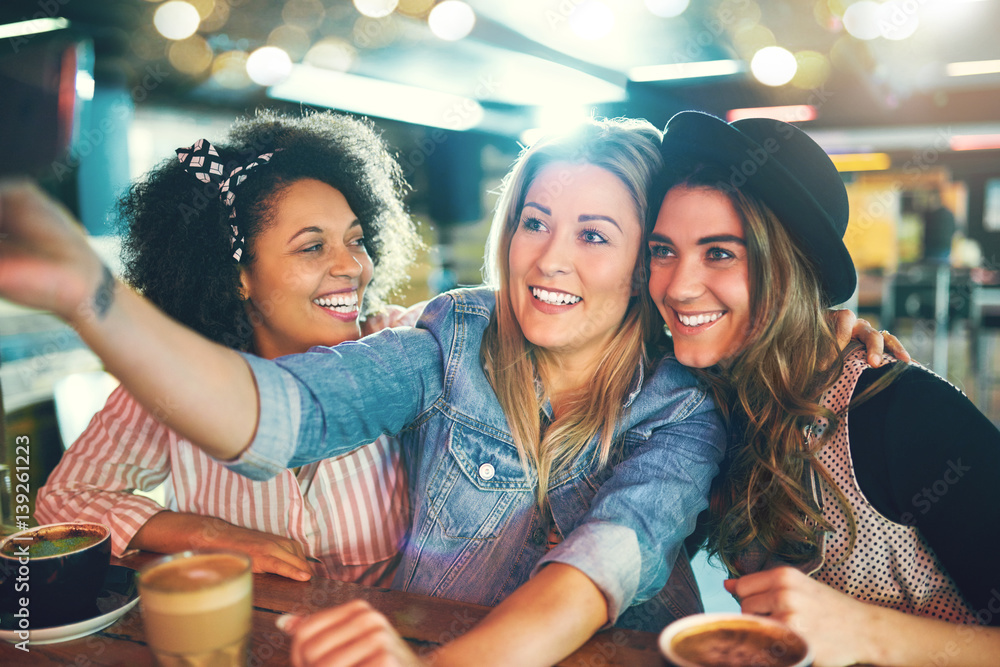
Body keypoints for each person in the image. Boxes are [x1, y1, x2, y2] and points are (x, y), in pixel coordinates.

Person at [0, 118, 726, 666]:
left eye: (594, 236)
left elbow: (590, 573)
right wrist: (92, 296)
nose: (550, 257)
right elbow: (290, 411)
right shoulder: (455, 334)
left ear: (644, 264)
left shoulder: (683, 410)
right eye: (535, 222)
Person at [647, 111, 1000, 667]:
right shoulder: (700, 404)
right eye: (662, 250)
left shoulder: (902, 411)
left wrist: (864, 631)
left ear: (790, 269)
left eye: (720, 253)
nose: (677, 286)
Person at [34, 110, 424, 584]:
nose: (354, 267)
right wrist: (216, 536)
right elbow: (67, 499)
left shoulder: (404, 347)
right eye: (312, 247)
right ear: (237, 276)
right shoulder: (178, 378)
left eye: (356, 240)